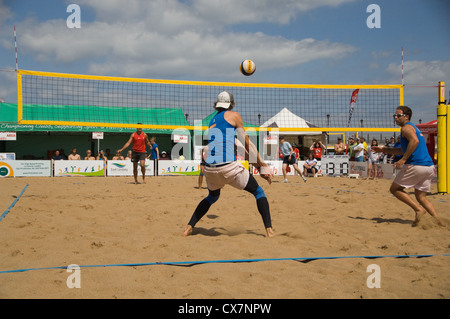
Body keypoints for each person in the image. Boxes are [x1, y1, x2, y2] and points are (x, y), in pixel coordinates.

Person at [182, 91, 275, 238]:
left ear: (217, 105)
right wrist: (262, 166)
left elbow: (239, 148)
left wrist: (257, 166)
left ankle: (188, 228)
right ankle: (269, 231)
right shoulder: (234, 116)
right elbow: (247, 145)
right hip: (228, 167)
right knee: (258, 192)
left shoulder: (212, 121)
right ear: (231, 104)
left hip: (210, 169)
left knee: (212, 197)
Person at [371, 105, 445, 227]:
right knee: (421, 197)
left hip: (416, 165)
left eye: (398, 115)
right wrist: (384, 150)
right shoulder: (413, 128)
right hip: (429, 167)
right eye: (395, 115)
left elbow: (414, 141)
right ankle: (439, 221)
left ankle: (418, 209)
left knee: (395, 189)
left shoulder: (406, 128)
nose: (395, 117)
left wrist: (404, 159)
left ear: (406, 116)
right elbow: (402, 150)